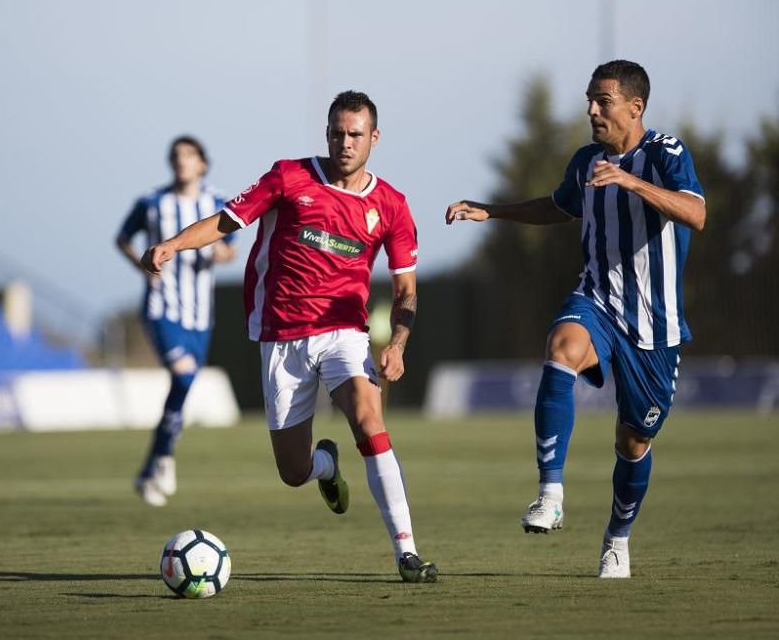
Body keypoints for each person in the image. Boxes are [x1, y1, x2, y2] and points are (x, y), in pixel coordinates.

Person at [141, 91, 438, 583]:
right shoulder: (288, 177)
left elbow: (406, 289)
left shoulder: (391, 205)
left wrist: (399, 344)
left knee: (369, 420)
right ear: (326, 133)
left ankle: (406, 552)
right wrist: (173, 244)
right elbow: (224, 221)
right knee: (292, 470)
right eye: (338, 133)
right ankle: (326, 466)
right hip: (281, 337)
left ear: (374, 138)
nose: (346, 143)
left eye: (356, 135)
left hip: (345, 334)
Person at [446, 60, 706, 578]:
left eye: (602, 100)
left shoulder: (665, 154)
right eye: (589, 99)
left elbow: (695, 213)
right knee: (561, 349)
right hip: (597, 301)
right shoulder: (587, 160)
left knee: (633, 444)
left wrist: (631, 183)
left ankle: (617, 538)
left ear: (635, 107)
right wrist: (491, 210)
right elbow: (559, 206)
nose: (591, 110)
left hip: (655, 328)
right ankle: (551, 493)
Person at [116, 135, 237, 506]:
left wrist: (222, 256)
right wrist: (142, 265)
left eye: (189, 155)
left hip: (201, 315)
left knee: (181, 391)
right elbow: (123, 238)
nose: (181, 161)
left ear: (203, 163)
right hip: (162, 308)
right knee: (183, 375)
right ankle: (165, 458)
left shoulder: (216, 203)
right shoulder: (152, 203)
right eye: (176, 156)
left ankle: (151, 465)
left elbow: (231, 249)